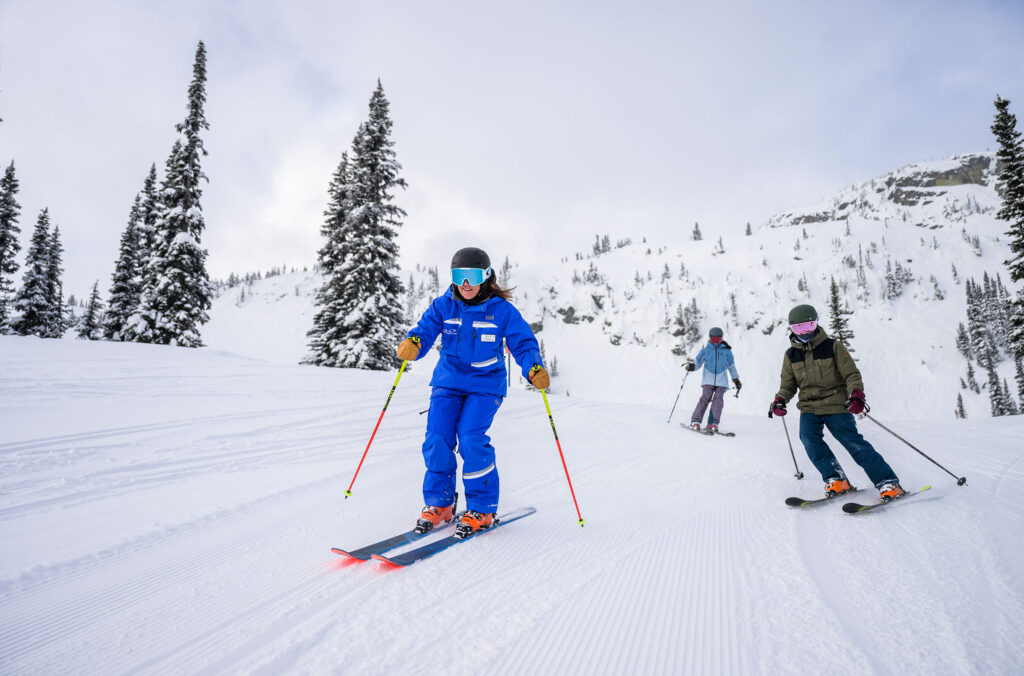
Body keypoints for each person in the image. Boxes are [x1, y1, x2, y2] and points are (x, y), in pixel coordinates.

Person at [397, 247, 549, 538]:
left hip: (484, 386)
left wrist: (533, 368)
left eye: (473, 276)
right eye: (459, 276)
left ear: (486, 276)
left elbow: (523, 343)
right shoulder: (444, 305)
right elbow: (425, 330)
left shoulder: (501, 311)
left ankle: (482, 507)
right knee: (437, 438)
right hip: (448, 383)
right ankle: (439, 504)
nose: (465, 283)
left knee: (470, 438)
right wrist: (414, 343)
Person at [769, 304, 905, 501]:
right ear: (792, 329)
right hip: (808, 407)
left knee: (853, 442)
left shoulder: (833, 347)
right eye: (799, 328)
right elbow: (788, 384)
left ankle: (888, 482)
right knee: (809, 439)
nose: (805, 332)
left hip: (836, 404)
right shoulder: (791, 355)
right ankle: (836, 479)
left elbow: (851, 374)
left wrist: (856, 394)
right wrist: (780, 399)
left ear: (816, 323)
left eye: (809, 325)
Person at [685, 327, 741, 433]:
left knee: (718, 401)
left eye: (718, 340)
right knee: (705, 398)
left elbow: (732, 367)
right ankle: (695, 421)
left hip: (722, 381)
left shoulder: (727, 352)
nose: (715, 342)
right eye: (713, 340)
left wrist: (736, 379)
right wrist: (692, 367)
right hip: (708, 380)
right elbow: (697, 363)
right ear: (710, 339)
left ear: (721, 339)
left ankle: (713, 423)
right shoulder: (705, 351)